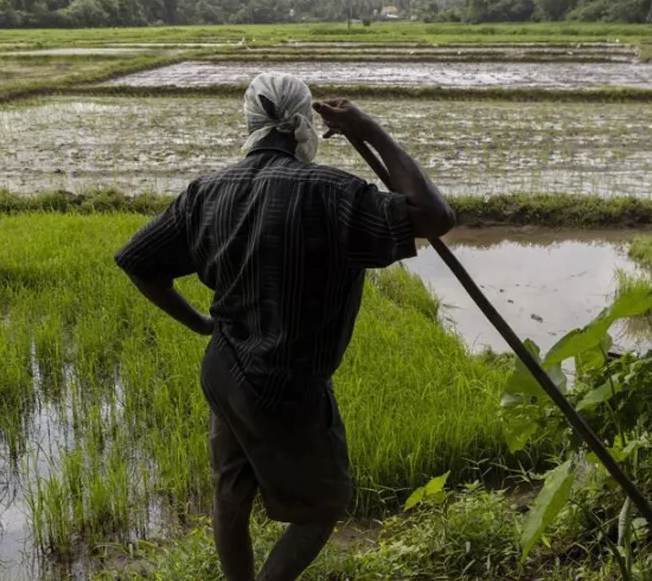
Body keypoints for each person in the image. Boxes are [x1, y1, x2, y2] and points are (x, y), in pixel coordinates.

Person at [113, 72, 455, 581]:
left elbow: (138, 261)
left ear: (250, 122)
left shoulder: (207, 191)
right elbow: (435, 216)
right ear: (302, 125)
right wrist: (370, 130)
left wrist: (201, 324)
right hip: (286, 380)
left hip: (224, 368)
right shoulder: (335, 194)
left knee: (231, 492)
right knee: (324, 504)